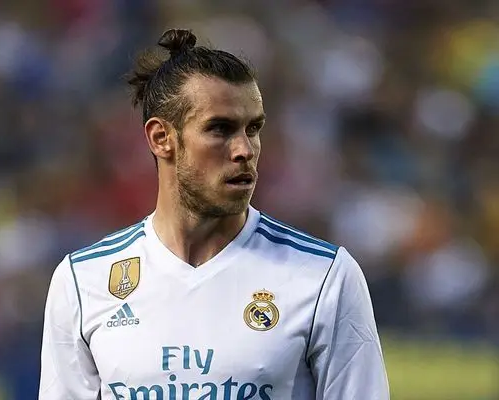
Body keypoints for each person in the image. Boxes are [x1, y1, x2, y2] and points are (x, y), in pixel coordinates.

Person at [39, 28, 389, 400]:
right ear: (161, 138)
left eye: (253, 129)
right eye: (220, 129)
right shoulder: (84, 281)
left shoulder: (324, 277)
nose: (244, 150)